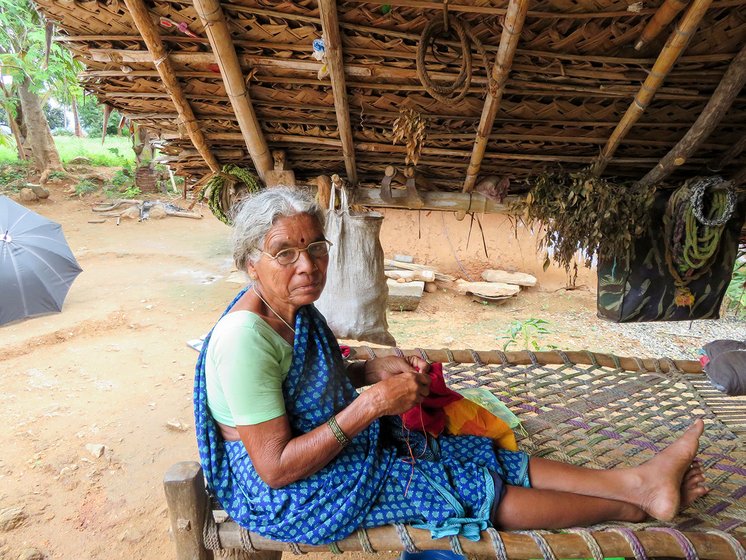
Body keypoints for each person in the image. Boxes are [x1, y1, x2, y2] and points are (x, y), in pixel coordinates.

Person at [194, 187, 709, 545]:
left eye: (316, 248)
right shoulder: (244, 341)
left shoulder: (292, 312)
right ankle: (632, 508)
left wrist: (368, 372)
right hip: (292, 496)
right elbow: (277, 468)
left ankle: (635, 481)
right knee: (458, 488)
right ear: (249, 263)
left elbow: (298, 384)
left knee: (474, 454)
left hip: (322, 462)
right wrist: (373, 405)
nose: (307, 265)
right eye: (285, 252)